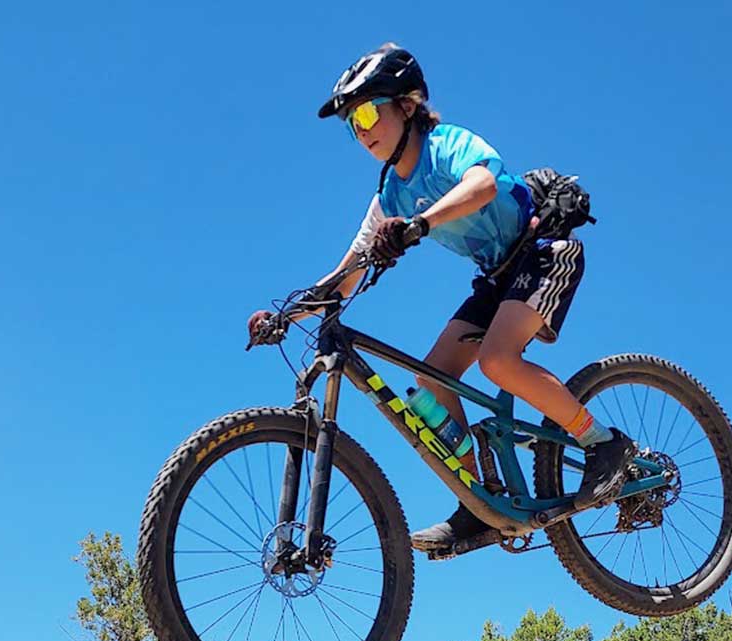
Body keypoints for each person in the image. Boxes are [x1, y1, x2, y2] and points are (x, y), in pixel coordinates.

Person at [248, 44, 635, 554]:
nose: (361, 129)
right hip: (497, 278)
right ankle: (482, 503)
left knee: (497, 360)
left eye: (367, 111)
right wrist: (286, 314)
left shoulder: (445, 145)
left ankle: (604, 443)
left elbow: (483, 184)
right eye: (351, 123)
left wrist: (420, 224)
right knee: (429, 379)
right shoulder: (390, 194)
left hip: (542, 251)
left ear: (406, 105)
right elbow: (348, 271)